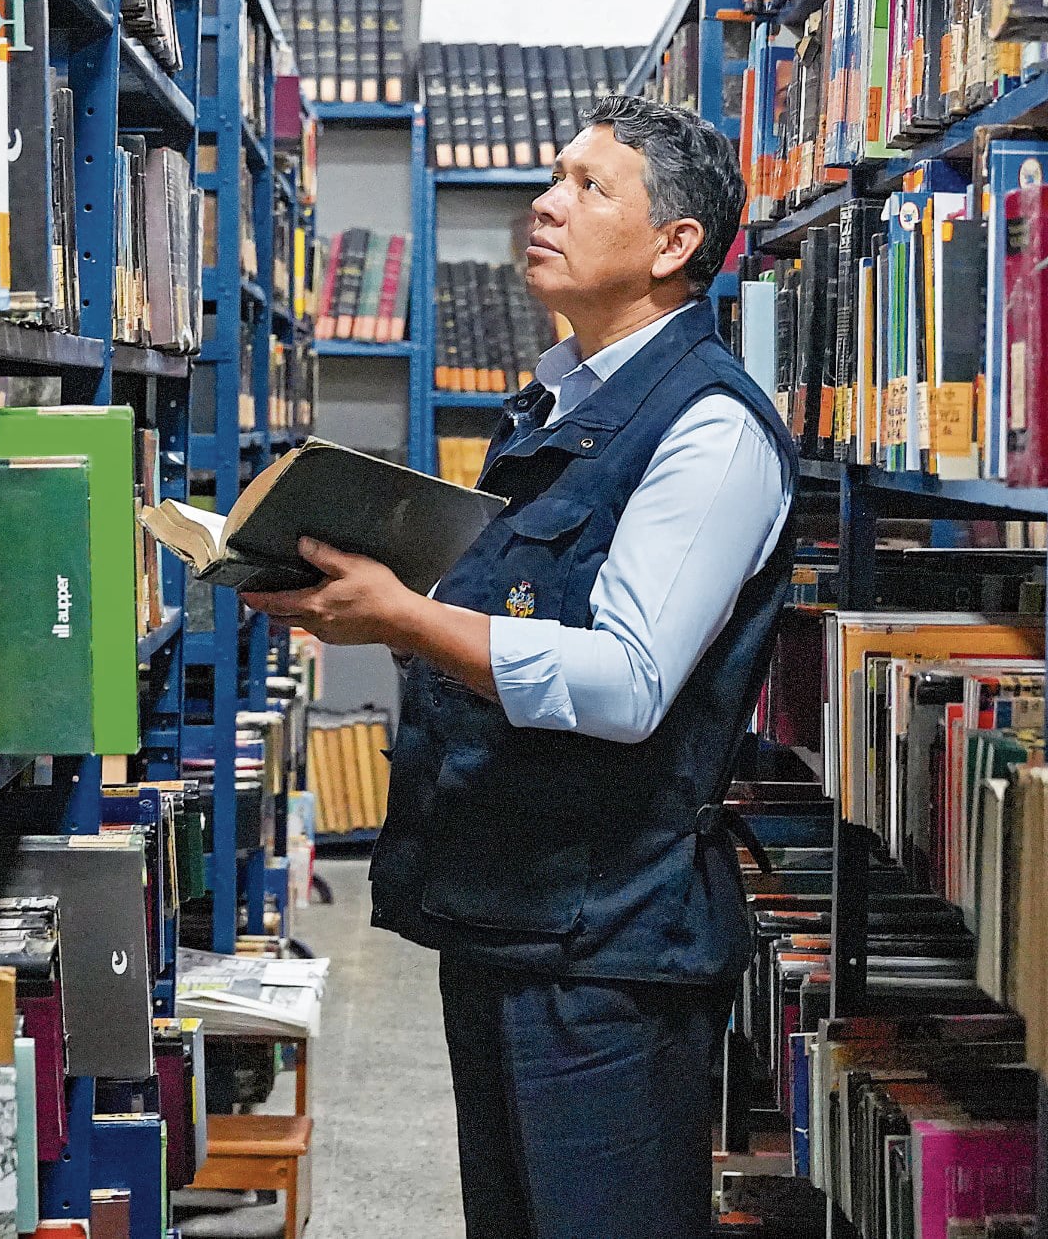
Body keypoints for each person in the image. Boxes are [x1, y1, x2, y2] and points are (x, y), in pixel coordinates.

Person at [243, 94, 796, 1239]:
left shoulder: (708, 427)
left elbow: (629, 680)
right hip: (505, 908)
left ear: (674, 245)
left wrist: (401, 619)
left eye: (591, 187)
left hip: (607, 946)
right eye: (554, 177)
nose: (545, 203)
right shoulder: (559, 401)